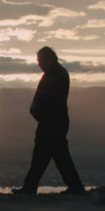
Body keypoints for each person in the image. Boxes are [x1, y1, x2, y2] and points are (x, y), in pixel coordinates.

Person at [12, 46, 86, 196]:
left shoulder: (55, 75)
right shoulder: (58, 73)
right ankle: (75, 187)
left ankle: (30, 189)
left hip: (51, 122)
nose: (39, 64)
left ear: (50, 59)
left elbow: (48, 100)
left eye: (41, 60)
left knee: (42, 156)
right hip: (55, 121)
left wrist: (39, 114)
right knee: (59, 156)